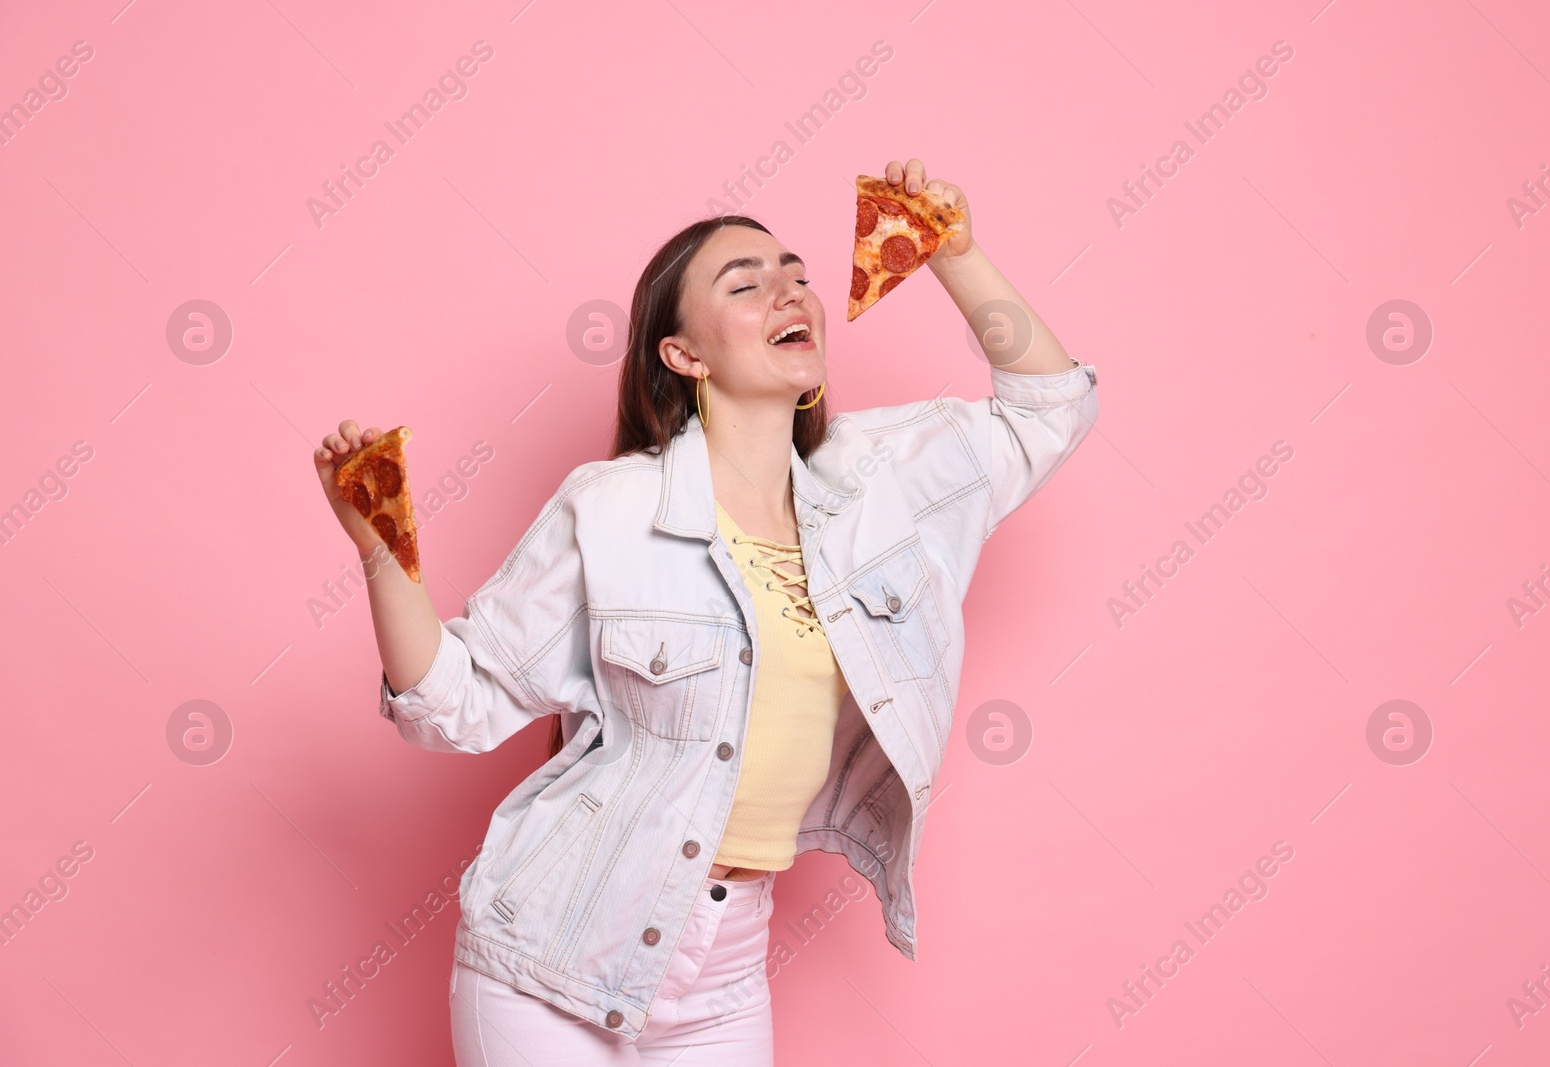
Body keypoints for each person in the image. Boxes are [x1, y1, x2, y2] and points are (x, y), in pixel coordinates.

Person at [312, 158, 1098, 1065]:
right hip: (549, 955)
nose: (789, 288)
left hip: (725, 971)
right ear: (683, 355)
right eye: (746, 282)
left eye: (796, 272)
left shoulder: (878, 492)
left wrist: (954, 252)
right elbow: (454, 702)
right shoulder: (609, 507)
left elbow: (1049, 410)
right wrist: (380, 553)